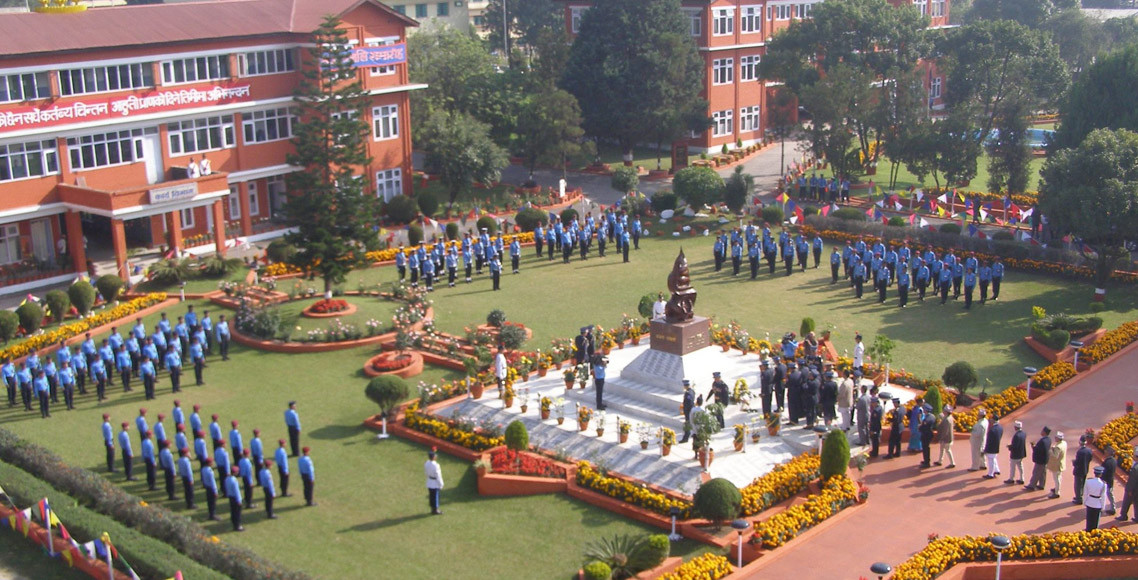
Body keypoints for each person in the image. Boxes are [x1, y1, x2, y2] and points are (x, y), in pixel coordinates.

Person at [1025, 426, 1051, 490]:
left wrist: (1033, 447)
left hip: (1040, 460)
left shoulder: (1042, 441)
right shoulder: (1049, 439)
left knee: (1036, 472)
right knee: (1042, 473)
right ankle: (1041, 485)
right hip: (1045, 459)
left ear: (1044, 432)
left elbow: (1039, 450)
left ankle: (1032, 485)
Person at [1116, 449, 1138, 523]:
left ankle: (1123, 515)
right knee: (1136, 503)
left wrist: (1129, 490)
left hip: (1133, 489)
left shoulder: (1135, 468)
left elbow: (1132, 481)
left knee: (1126, 502)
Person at [1083, 466, 1108, 531]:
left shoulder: (1088, 481)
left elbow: (1085, 493)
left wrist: (1084, 501)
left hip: (1089, 502)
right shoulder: (1103, 484)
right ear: (1101, 474)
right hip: (1097, 504)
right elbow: (1103, 496)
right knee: (1095, 523)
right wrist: (1103, 507)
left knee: (1089, 520)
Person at [1073, 434, 1095, 504]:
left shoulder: (1080, 452)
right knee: (1082, 484)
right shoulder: (1089, 451)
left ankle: (1078, 499)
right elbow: (1090, 459)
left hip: (1079, 471)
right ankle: (1080, 495)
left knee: (1078, 485)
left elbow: (1077, 462)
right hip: (1085, 470)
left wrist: (1074, 462)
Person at [1047, 431, 1068, 499]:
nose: (1055, 438)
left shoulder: (1058, 447)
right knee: (1059, 478)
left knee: (1056, 479)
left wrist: (1050, 450)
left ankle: (1057, 492)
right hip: (1061, 463)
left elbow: (1055, 456)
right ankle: (1056, 488)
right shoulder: (1064, 443)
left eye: (1056, 437)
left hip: (1057, 465)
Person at [982, 415, 1004, 479]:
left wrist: (986, 449)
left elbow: (989, 441)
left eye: (991, 419)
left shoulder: (992, 430)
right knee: (994, 458)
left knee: (991, 460)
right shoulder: (1000, 427)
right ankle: (997, 470)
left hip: (991, 448)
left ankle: (990, 474)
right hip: (996, 446)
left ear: (993, 420)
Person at [425, 447, 444, 515]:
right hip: (434, 483)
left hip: (429, 481)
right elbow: (438, 476)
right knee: (435, 497)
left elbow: (426, 472)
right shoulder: (436, 465)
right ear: (433, 457)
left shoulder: (427, 463)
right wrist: (441, 484)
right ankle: (435, 510)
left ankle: (432, 509)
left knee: (431, 496)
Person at [224, 466, 244, 531]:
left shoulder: (227, 479)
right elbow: (236, 491)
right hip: (235, 498)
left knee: (233, 511)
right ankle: (238, 526)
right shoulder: (234, 480)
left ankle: (234, 524)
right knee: (237, 513)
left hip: (230, 497)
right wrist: (239, 500)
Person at [1102, 447, 1118, 515]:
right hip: (1110, 480)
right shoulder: (1114, 460)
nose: (1105, 453)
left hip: (1106, 481)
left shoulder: (1107, 462)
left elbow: (1104, 472)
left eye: (1106, 452)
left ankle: (1111, 508)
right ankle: (1113, 508)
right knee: (1110, 494)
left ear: (1108, 453)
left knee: (1106, 494)